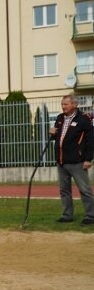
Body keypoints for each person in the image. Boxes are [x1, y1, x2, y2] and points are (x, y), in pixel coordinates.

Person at [49, 94, 94, 226]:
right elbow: (58, 138)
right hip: (61, 161)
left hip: (78, 162)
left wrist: (88, 159)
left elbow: (91, 140)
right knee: (64, 190)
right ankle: (67, 215)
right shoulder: (59, 118)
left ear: (74, 105)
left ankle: (90, 215)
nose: (63, 106)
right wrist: (52, 134)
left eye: (66, 104)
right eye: (62, 104)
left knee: (84, 190)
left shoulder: (83, 119)